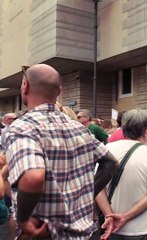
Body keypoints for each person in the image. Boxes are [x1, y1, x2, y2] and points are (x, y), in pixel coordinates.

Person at [5, 64, 117, 239]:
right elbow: (110, 162)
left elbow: (33, 177)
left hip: (45, 233)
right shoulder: (78, 128)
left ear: (25, 86)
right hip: (81, 233)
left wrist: (23, 218)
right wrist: (88, 193)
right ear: (59, 91)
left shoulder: (23, 127)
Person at [96, 109, 147, 240]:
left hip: (114, 227)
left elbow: (98, 188)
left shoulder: (107, 149)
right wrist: (125, 217)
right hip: (145, 227)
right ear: (146, 131)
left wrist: (109, 215)